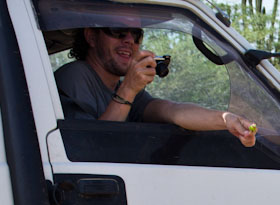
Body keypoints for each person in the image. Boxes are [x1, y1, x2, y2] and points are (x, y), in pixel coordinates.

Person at [54, 26, 256, 147]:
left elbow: (172, 111)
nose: (129, 41)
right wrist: (129, 89)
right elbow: (95, 146)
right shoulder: (75, 76)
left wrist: (227, 120)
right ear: (91, 37)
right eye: (118, 32)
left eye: (136, 35)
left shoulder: (122, 88)